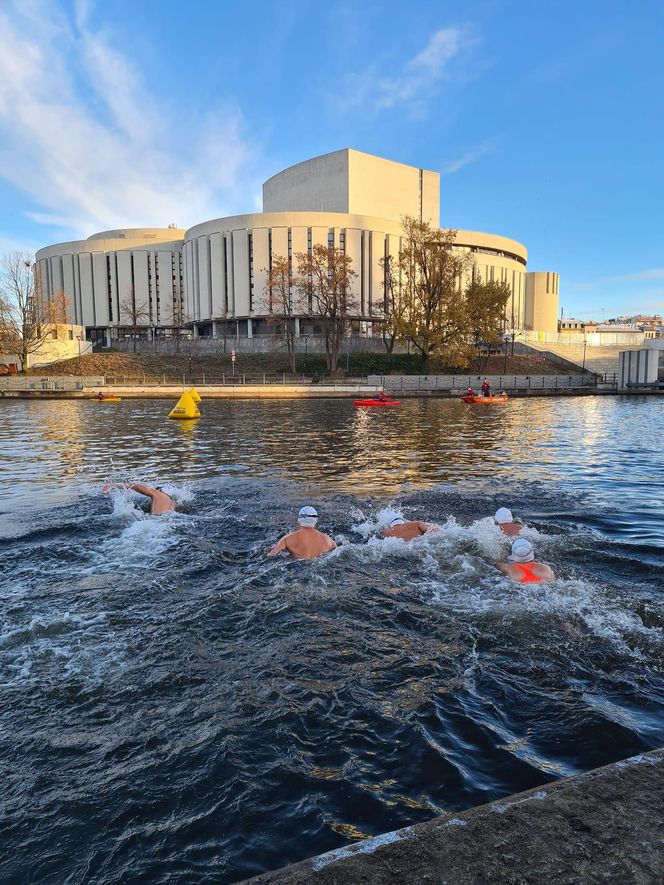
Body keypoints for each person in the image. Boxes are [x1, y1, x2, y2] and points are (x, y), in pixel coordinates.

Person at [267, 506, 337, 560]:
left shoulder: (287, 539)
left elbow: (271, 555)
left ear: (299, 520)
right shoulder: (329, 541)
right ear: (315, 520)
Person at [102, 482, 176, 515]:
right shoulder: (173, 503)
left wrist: (113, 485)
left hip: (154, 521)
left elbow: (135, 486)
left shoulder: (158, 493)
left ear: (159, 490)